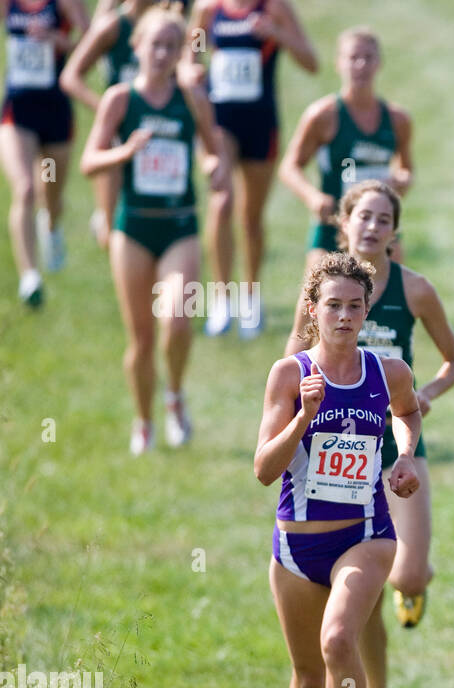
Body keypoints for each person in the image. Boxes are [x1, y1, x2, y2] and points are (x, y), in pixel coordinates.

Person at [285, 179, 454, 688]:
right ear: (345, 223)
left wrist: (423, 398)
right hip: (336, 446)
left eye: (383, 219)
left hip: (395, 448)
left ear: (394, 230)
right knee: (360, 595)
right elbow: (293, 349)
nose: (372, 227)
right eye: (363, 217)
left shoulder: (414, 290)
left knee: (407, 573)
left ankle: (414, 583)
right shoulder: (322, 288)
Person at [254, 251, 421, 688]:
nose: (345, 316)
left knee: (339, 639)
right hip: (297, 550)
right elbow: (263, 469)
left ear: (367, 309)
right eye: (334, 306)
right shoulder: (289, 374)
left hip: (366, 535)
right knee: (305, 676)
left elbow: (407, 413)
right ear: (313, 310)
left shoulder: (388, 371)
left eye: (355, 306)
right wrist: (303, 417)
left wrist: (402, 456)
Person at [79, 4, 228, 453]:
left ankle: (175, 397)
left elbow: (212, 151)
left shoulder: (191, 98)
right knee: (141, 340)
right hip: (133, 229)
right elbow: (89, 161)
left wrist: (214, 167)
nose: (162, 54)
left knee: (178, 325)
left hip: (179, 226)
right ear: (137, 46)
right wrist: (123, 153)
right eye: (154, 45)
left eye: (171, 46)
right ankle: (143, 422)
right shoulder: (120, 99)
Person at [183, 0, 316, 337]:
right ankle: (221, 300)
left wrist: (277, 33)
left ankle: (251, 298)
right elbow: (190, 57)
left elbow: (310, 61)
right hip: (219, 122)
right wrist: (191, 73)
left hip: (260, 123)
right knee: (221, 201)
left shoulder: (273, 7)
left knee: (251, 216)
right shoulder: (208, 10)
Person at [279, 26, 412, 349]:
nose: (361, 65)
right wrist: (313, 196)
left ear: (379, 63)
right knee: (311, 319)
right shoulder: (324, 115)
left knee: (385, 314)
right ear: (340, 63)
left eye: (368, 57)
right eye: (353, 57)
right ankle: (291, 388)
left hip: (380, 233)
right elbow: (290, 165)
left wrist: (401, 180)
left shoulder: (396, 119)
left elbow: (406, 168)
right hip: (330, 232)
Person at [2, 0, 88, 306]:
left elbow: (91, 44)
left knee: (48, 189)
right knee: (24, 189)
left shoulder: (65, 4)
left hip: (54, 114)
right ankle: (30, 277)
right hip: (17, 113)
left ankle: (50, 226)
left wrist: (56, 40)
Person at [59, 0, 161, 248]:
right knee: (113, 232)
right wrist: (107, 111)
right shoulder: (114, 26)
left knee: (154, 228)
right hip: (117, 139)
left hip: (158, 138)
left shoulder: (166, 27)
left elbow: (190, 65)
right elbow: (71, 77)